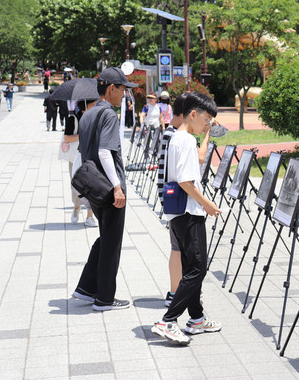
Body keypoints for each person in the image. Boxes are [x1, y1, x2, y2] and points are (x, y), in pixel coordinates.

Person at [151, 92, 222, 345]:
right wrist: (209, 205)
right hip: (189, 212)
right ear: (193, 114)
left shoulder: (179, 138)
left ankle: (197, 318)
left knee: (192, 266)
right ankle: (168, 321)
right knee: (198, 268)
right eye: (207, 119)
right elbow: (186, 182)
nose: (208, 125)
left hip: (180, 212)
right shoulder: (185, 141)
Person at [72, 67, 137, 311]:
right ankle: (105, 299)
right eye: (122, 90)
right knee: (112, 243)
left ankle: (86, 288)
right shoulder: (109, 115)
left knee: (105, 237)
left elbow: (83, 154)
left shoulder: (88, 114)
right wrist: (118, 187)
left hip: (94, 187)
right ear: (111, 88)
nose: (124, 95)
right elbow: (104, 152)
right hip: (109, 189)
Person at [61, 99, 98, 226]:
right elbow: (67, 138)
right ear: (87, 105)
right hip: (75, 157)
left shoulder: (94, 119)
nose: (95, 106)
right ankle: (76, 207)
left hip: (91, 157)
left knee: (92, 186)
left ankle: (90, 215)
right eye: (93, 104)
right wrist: (83, 135)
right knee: (76, 185)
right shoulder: (73, 119)